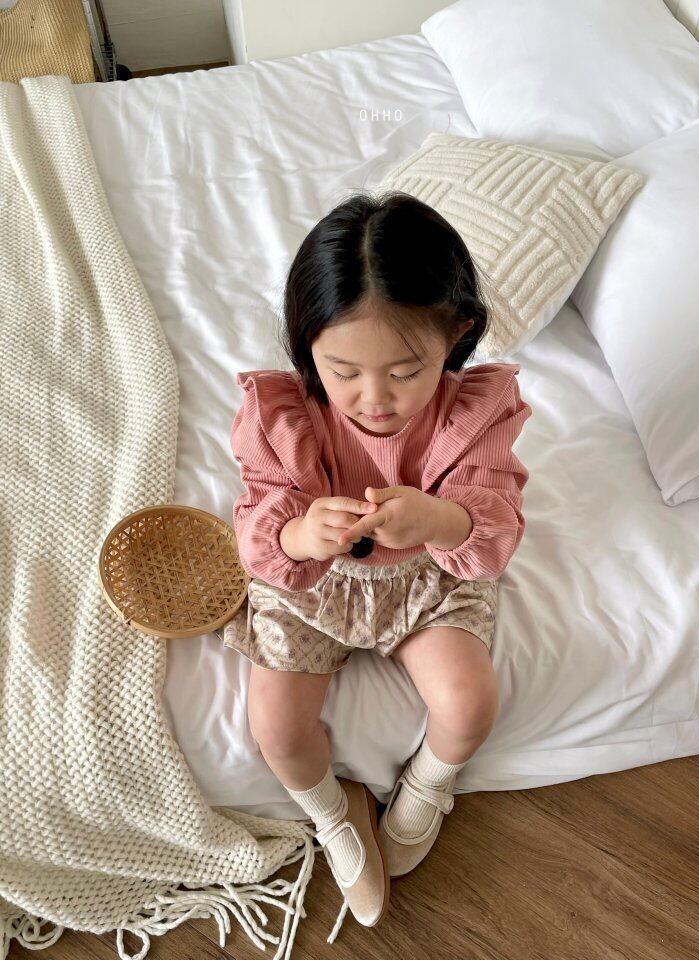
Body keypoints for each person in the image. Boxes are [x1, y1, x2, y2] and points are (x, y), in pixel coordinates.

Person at [222, 190, 532, 932]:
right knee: (277, 728)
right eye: (343, 371)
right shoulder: (285, 417)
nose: (375, 399)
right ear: (306, 346)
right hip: (315, 585)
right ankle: (335, 814)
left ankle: (427, 788)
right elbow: (256, 528)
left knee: (469, 703)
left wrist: (441, 518)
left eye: (405, 371)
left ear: (455, 336)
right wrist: (301, 535)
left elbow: (496, 521)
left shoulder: (473, 413)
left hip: (426, 580)